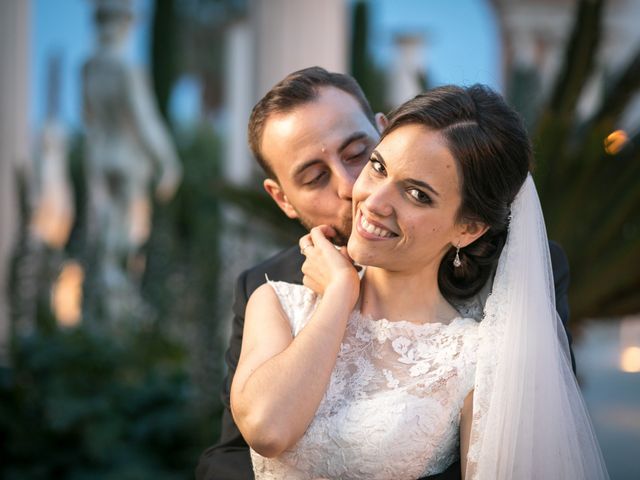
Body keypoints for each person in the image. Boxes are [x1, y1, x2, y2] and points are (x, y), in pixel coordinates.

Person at [195, 68, 572, 480]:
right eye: (315, 176)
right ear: (282, 199)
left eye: (359, 154)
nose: (354, 188)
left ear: (382, 129)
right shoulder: (269, 291)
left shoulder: (515, 292)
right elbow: (238, 450)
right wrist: (341, 292)